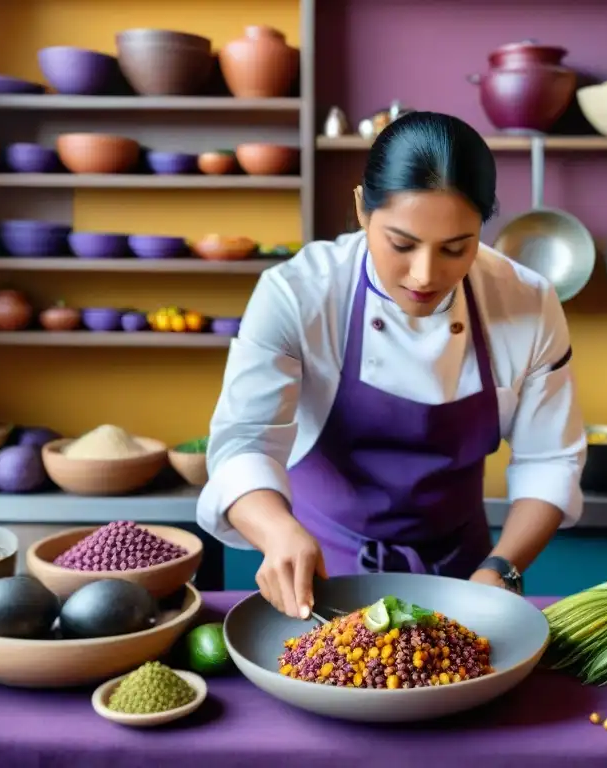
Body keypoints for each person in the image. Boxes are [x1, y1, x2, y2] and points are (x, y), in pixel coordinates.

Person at [196, 111, 586, 619]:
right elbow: (243, 444)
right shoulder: (298, 293)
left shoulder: (527, 301)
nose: (425, 275)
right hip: (322, 576)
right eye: (401, 244)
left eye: (456, 248)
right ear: (362, 209)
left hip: (466, 577)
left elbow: (549, 461)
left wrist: (502, 569)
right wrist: (277, 532)